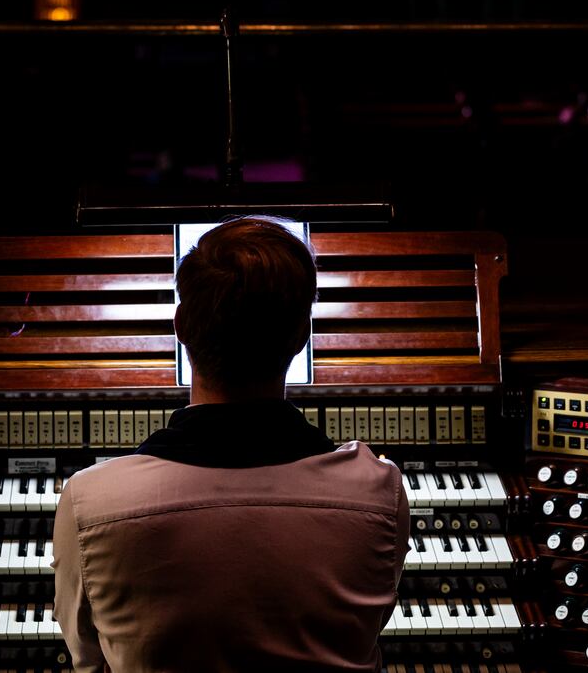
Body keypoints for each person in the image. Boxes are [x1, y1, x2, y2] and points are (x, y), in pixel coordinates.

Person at [53, 216, 409, 673]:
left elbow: (88, 660)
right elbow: (368, 627)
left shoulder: (90, 500)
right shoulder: (379, 490)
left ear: (180, 325)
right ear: (303, 336)